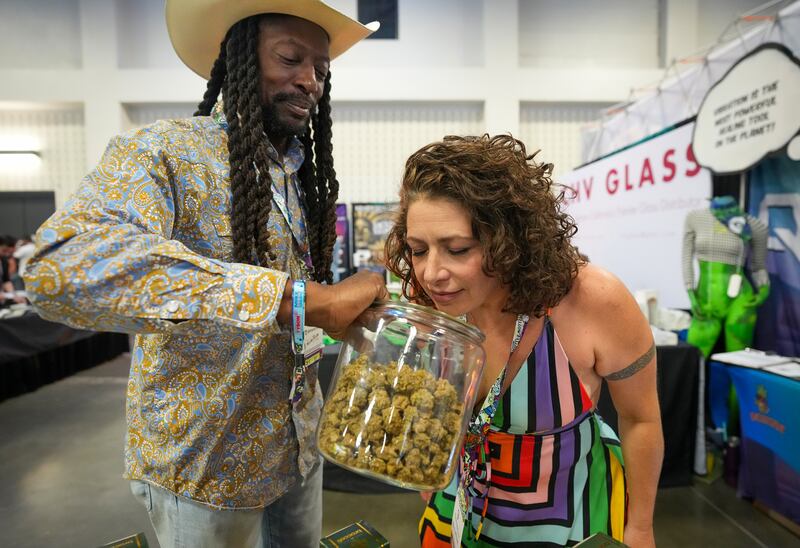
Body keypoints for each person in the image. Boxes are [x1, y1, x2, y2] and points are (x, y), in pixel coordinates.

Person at [23, 1, 386, 547]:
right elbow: (60, 267)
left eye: (322, 70)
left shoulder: (301, 175)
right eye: (290, 58)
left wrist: (335, 314)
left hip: (296, 449)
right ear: (237, 58)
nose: (310, 81)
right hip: (205, 465)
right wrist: (294, 299)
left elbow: (304, 305)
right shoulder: (162, 152)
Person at [384, 135, 663, 547]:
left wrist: (639, 528)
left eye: (457, 249)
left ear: (509, 239)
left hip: (566, 519)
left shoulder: (591, 300)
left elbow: (641, 419)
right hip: (459, 513)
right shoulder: (434, 300)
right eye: (418, 250)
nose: (431, 273)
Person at [682, 195, 770, 358]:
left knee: (740, 359)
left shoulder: (752, 225)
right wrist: (690, 293)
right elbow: (686, 259)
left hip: (740, 300)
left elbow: (758, 266)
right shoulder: (695, 218)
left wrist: (764, 289)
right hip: (705, 299)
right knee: (693, 358)